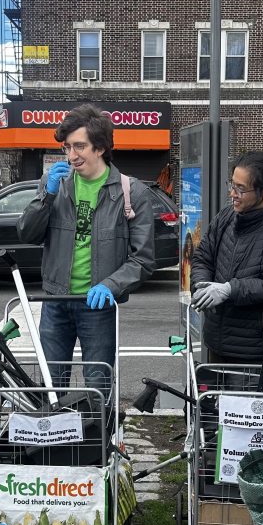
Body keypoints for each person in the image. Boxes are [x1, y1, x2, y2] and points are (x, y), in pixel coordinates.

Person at [17, 103, 155, 390]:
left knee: (97, 384)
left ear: (100, 147)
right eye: (67, 147)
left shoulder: (131, 192)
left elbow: (142, 259)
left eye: (79, 146)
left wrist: (111, 285)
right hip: (55, 301)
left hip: (98, 305)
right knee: (52, 385)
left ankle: (97, 435)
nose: (71, 155)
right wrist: (46, 197)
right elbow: (27, 234)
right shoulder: (56, 183)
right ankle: (57, 432)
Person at [190, 150, 263, 364]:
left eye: (240, 189)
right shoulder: (226, 216)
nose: (232, 194)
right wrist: (201, 285)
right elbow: (202, 257)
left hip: (260, 348)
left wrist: (229, 289)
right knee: (216, 396)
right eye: (232, 185)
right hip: (217, 338)